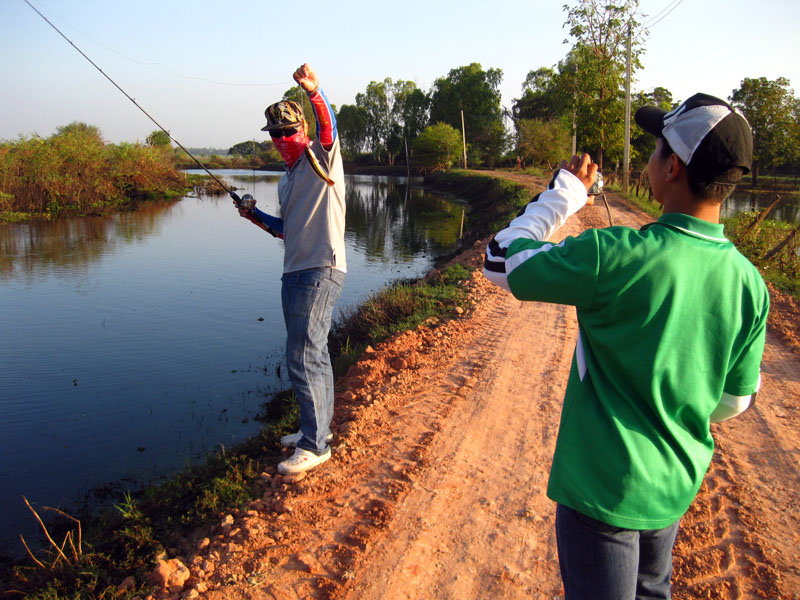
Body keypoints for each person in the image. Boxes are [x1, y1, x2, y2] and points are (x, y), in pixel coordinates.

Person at [483, 93, 768, 599]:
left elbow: (501, 259)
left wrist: (564, 195)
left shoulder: (617, 255)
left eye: (656, 149)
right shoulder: (750, 284)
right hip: (672, 490)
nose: (649, 159)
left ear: (673, 167)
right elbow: (734, 401)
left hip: (601, 495)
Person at [236, 63, 346, 475]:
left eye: (288, 132)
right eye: (276, 135)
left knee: (302, 355)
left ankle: (315, 446)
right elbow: (287, 230)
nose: (282, 140)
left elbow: (328, 127)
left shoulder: (322, 158)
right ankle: (315, 430)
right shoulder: (285, 180)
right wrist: (253, 215)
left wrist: (315, 90)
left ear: (302, 130)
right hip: (295, 271)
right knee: (313, 353)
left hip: (321, 269)